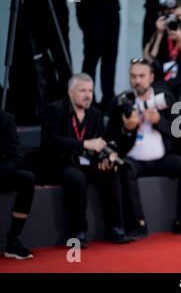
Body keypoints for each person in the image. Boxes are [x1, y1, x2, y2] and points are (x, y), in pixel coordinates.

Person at [105, 58, 181, 236]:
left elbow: (179, 132)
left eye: (141, 76)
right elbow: (110, 137)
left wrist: (159, 122)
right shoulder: (120, 102)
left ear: (151, 77)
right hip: (134, 159)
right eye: (133, 76)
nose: (137, 80)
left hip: (162, 158)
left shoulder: (164, 98)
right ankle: (137, 224)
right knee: (125, 169)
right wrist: (126, 129)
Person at [41, 73, 131, 248]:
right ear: (71, 92)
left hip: (85, 163)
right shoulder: (55, 110)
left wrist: (104, 158)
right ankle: (78, 232)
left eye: (90, 90)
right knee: (77, 178)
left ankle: (115, 228)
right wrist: (85, 144)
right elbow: (50, 141)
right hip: (59, 162)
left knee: (110, 173)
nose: (88, 95)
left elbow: (99, 142)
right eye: (83, 90)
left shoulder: (95, 114)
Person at [76, 0, 127, 111]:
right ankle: (86, 97)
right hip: (90, 7)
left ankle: (108, 98)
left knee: (110, 55)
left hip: (112, 7)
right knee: (92, 55)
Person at [0, 111, 35, 260]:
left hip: (0, 172)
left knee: (27, 178)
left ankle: (13, 241)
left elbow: (16, 156)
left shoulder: (5, 119)